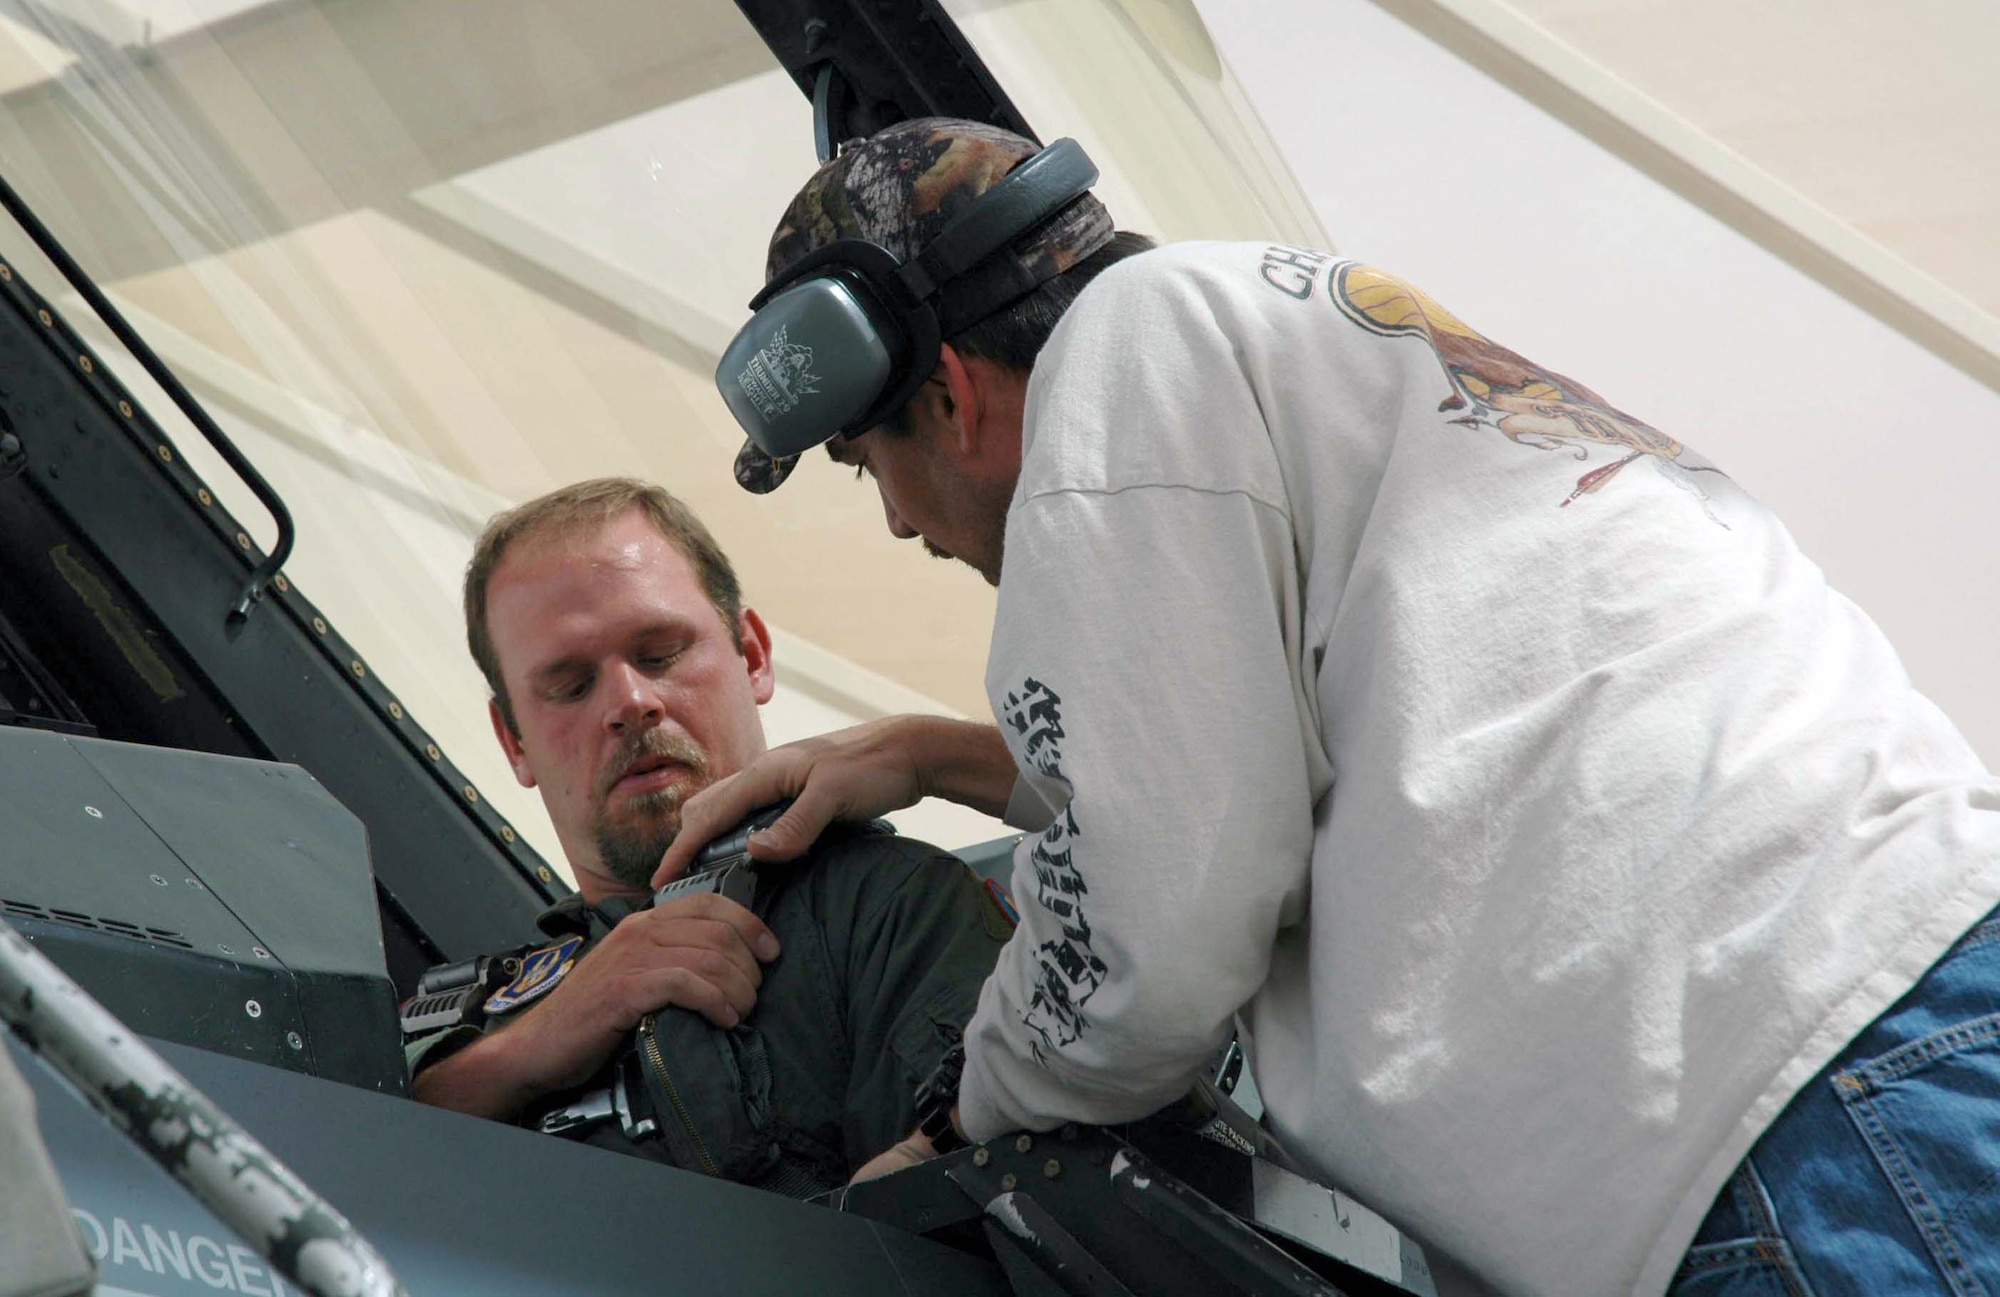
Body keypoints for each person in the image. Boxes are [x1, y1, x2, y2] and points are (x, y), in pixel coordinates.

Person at [658, 118, 2000, 1294]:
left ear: (947, 396)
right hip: (1900, 1011)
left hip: (1784, 1126)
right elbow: (1284, 737)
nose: (896, 522)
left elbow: (1151, 939)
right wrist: (936, 755)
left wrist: (953, 1128)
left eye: (865, 465)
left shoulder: (1116, 375)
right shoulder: (1287, 332)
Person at [404, 477, 1011, 1196]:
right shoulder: (453, 1028)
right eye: (570, 686)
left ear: (752, 655)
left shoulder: (884, 910)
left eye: (660, 652)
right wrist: (535, 1044)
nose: (631, 702)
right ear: (514, 741)